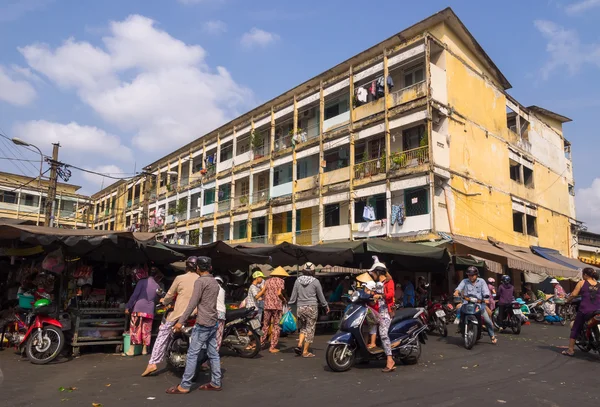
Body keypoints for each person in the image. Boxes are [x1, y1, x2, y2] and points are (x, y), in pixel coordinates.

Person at [166, 256, 222, 394]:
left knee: (192, 354)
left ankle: (184, 385)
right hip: (213, 322)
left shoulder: (200, 282)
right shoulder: (214, 282)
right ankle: (216, 382)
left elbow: (192, 303)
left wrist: (180, 321)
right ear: (209, 268)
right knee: (213, 354)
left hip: (202, 323)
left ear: (198, 268)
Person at [142, 257, 199, 377]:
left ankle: (153, 363)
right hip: (197, 314)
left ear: (186, 267)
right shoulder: (201, 280)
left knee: (163, 334)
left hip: (178, 314)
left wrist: (164, 301)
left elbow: (170, 294)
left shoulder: (180, 278)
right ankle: (203, 363)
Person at [289, 262, 329, 358]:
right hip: (311, 307)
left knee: (303, 327)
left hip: (300, 307)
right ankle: (305, 352)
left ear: (303, 270)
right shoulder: (315, 281)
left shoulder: (297, 280)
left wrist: (290, 304)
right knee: (310, 329)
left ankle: (299, 345)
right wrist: (325, 305)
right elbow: (320, 296)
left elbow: (293, 295)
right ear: (313, 271)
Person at [453, 266, 497, 345]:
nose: (471, 277)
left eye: (472, 275)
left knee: (488, 321)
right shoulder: (465, 281)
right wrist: (456, 291)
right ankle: (460, 326)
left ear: (476, 275)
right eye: (469, 275)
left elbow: (485, 291)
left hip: (479, 304)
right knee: (459, 309)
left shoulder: (482, 281)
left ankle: (492, 335)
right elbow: (459, 288)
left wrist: (486, 297)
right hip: (467, 302)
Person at [562, 267, 600, 356]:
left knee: (575, 328)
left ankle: (570, 350)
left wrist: (567, 301)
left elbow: (573, 294)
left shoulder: (582, 283)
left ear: (585, 275)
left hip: (585, 310)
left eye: (583, 274)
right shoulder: (599, 284)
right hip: (598, 310)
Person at [368, 259, 396, 373]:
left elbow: (391, 294)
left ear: (378, 272)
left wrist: (380, 296)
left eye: (374, 273)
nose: (372, 275)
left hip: (386, 312)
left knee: (383, 335)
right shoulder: (377, 283)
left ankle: (390, 360)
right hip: (377, 311)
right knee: (368, 324)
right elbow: (373, 293)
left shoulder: (389, 282)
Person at [125, 266, 159, 356]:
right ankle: (144, 349)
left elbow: (135, 295)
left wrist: (128, 306)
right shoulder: (156, 285)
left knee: (135, 329)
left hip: (139, 309)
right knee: (146, 330)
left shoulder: (142, 282)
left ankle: (131, 350)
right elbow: (156, 298)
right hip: (150, 310)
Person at [260, 267, 289, 353]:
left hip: (267, 305)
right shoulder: (281, 281)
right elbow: (279, 293)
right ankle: (272, 347)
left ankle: (261, 343)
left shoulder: (267, 281)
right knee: (276, 326)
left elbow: (264, 291)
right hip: (277, 306)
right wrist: (283, 299)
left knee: (265, 325)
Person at [214, 276, 227, 350]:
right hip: (222, 312)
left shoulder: (212, 289)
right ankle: (216, 351)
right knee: (219, 334)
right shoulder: (222, 290)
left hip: (214, 312)